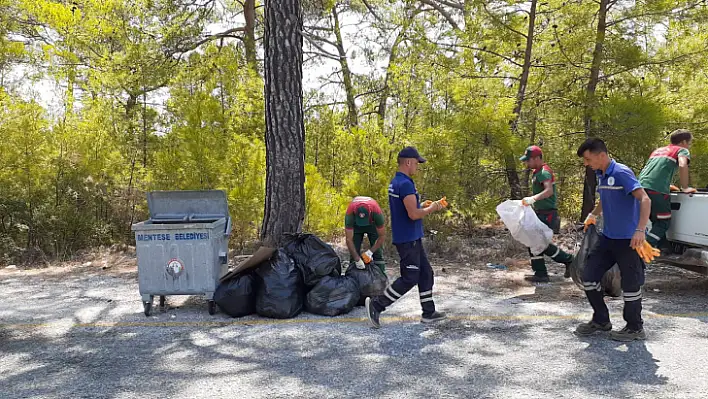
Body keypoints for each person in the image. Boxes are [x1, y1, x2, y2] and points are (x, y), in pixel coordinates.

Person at [576, 138, 652, 342]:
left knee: (630, 285)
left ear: (601, 155)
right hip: (608, 238)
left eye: (588, 158)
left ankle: (635, 328)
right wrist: (593, 214)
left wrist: (640, 230)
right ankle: (601, 320)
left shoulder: (621, 172)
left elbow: (645, 199)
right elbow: (606, 198)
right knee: (589, 276)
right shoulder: (602, 174)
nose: (586, 163)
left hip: (629, 240)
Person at [365, 146, 447, 328]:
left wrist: (421, 204)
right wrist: (432, 208)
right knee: (410, 277)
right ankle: (377, 306)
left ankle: (429, 312)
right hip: (408, 238)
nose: (417, 166)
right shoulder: (406, 184)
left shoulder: (397, 181)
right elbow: (413, 214)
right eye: (417, 163)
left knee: (426, 273)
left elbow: (408, 207)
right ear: (408, 162)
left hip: (410, 237)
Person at [519, 145, 574, 282]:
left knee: (538, 243)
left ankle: (565, 261)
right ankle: (543, 272)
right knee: (535, 242)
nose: (527, 163)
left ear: (537, 158)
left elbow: (548, 191)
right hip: (540, 213)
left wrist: (533, 199)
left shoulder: (544, 172)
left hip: (547, 214)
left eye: (529, 160)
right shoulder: (537, 172)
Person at [638, 129, 695, 249]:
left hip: (640, 188)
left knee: (656, 221)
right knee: (663, 223)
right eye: (689, 143)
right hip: (656, 191)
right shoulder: (682, 150)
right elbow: (683, 164)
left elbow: (652, 173)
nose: (689, 146)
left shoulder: (658, 151)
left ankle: (662, 249)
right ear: (684, 141)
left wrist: (667, 186)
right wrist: (684, 187)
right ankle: (642, 249)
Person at [345, 196, 386, 273]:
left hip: (372, 224)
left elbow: (382, 236)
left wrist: (370, 252)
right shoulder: (350, 214)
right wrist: (356, 258)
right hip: (356, 226)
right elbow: (349, 239)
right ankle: (352, 279)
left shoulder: (376, 212)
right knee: (354, 252)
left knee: (378, 253)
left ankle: (382, 280)